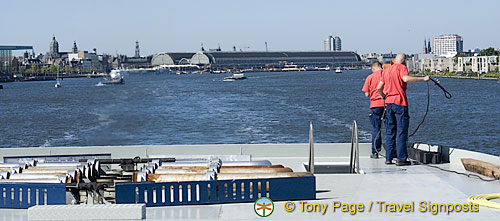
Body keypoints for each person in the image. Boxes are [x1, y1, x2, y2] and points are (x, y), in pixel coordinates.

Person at [377, 53, 429, 166]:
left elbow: (378, 87)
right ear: (404, 61)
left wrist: (383, 96)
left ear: (395, 60)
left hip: (389, 103)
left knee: (390, 131)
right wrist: (422, 79)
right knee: (401, 131)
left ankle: (389, 158)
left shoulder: (387, 70)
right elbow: (405, 79)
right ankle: (401, 158)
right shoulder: (402, 68)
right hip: (400, 102)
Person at [362, 61, 385, 159]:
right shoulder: (387, 74)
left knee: (376, 129)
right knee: (390, 129)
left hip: (375, 105)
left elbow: (366, 94)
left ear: (373, 68)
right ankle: (391, 152)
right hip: (387, 104)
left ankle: (375, 152)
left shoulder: (370, 77)